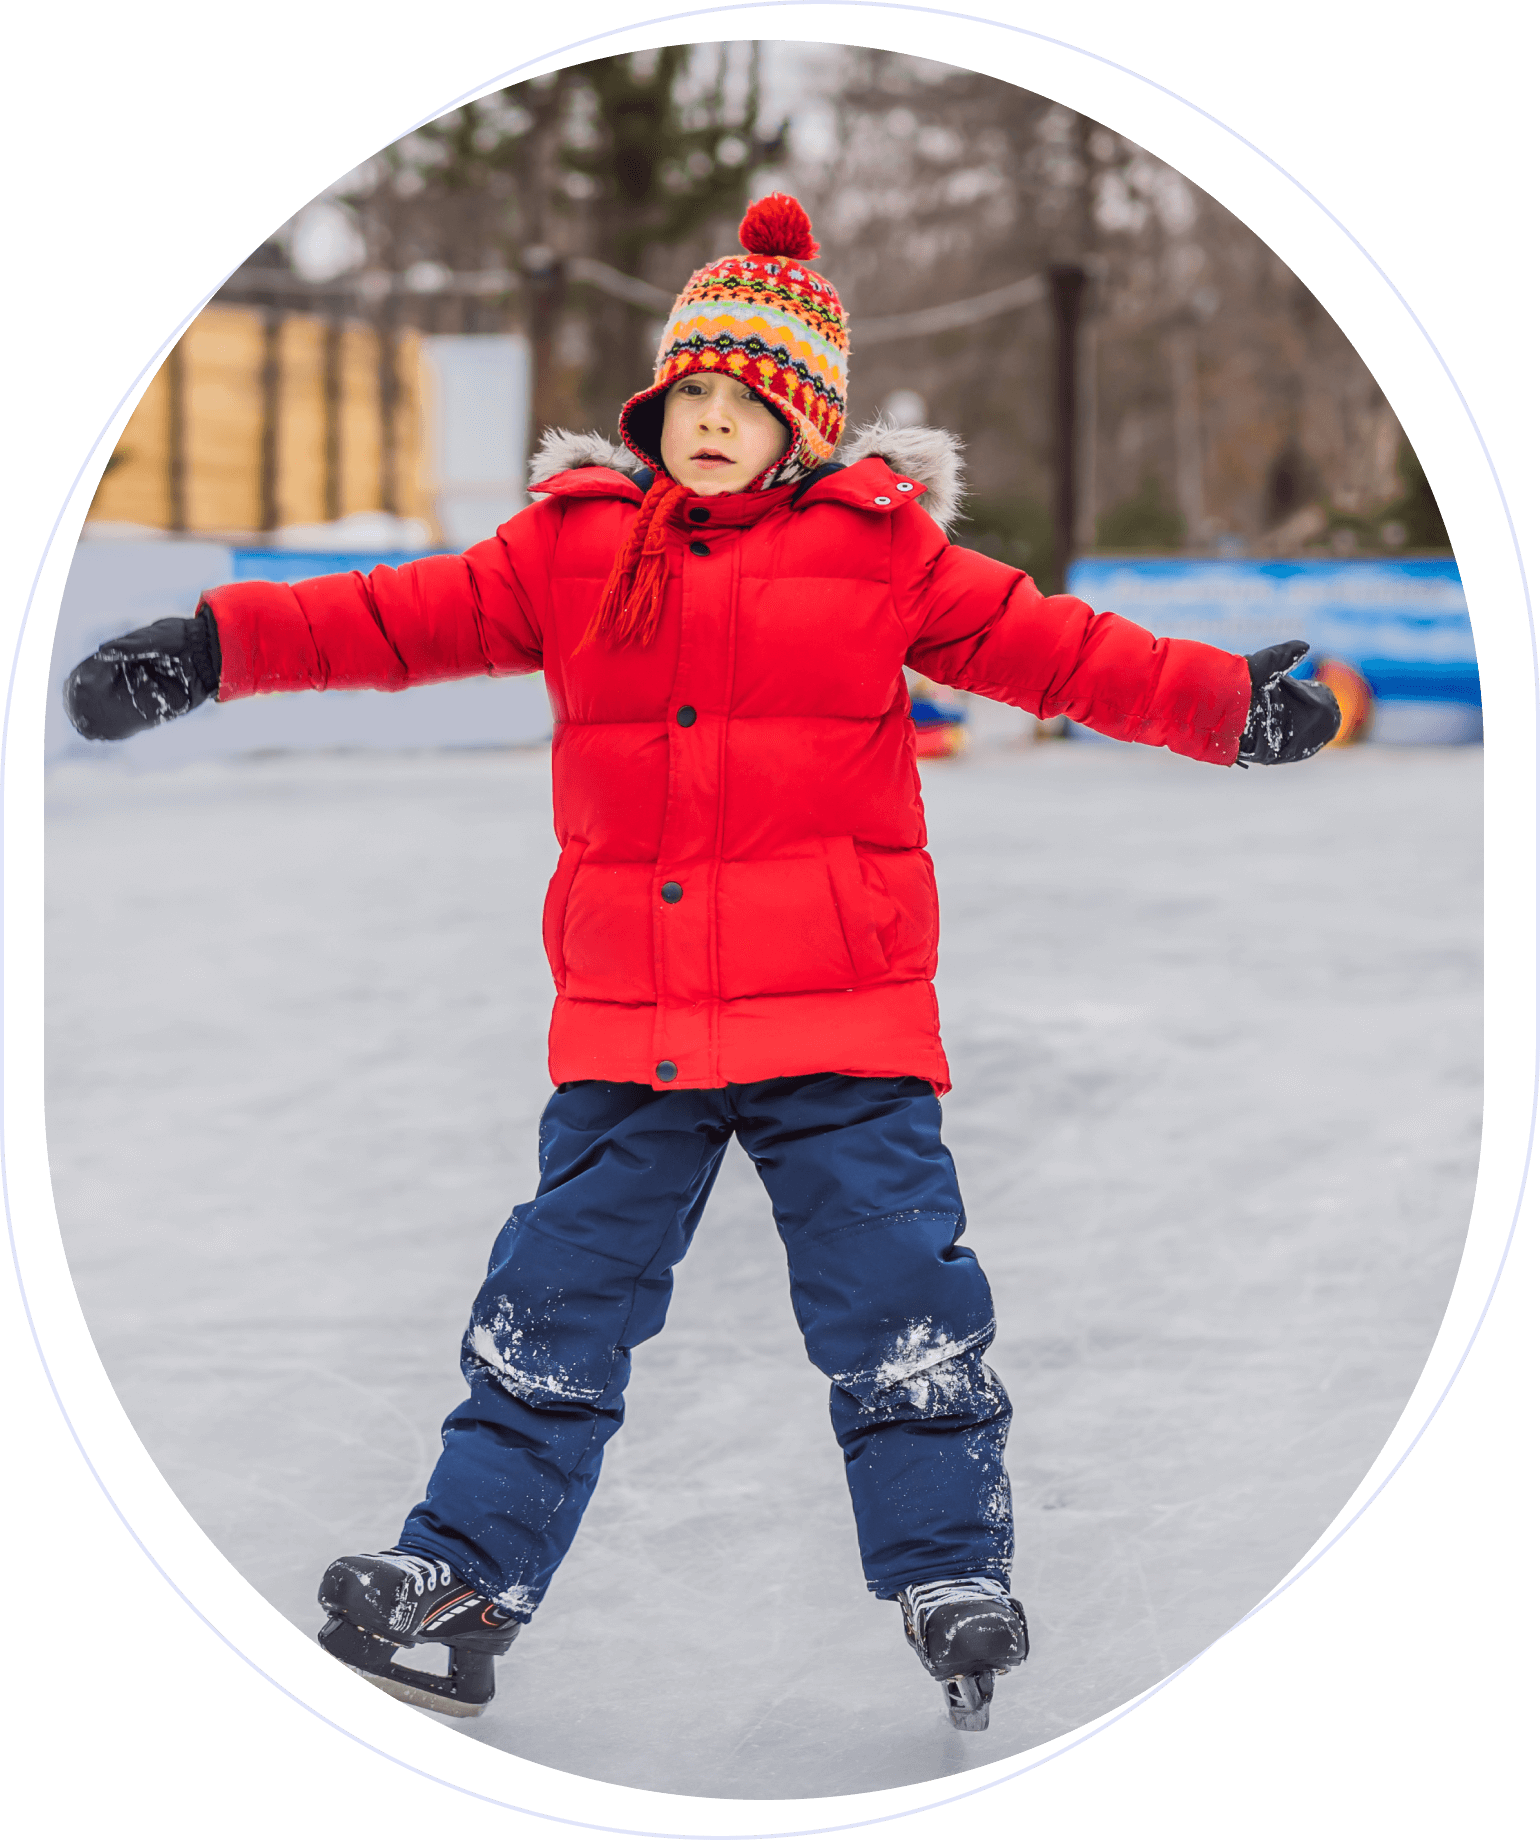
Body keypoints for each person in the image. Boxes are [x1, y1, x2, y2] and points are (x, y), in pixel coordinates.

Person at [62, 194, 1340, 1732]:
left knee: (900, 1308)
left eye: (745, 402)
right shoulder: (575, 550)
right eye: (690, 399)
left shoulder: (883, 553)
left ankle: (948, 1573)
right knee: (549, 1312)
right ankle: (461, 1576)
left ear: (802, 420)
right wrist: (210, 646)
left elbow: (1057, 649)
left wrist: (1219, 705)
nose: (711, 424)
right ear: (654, 408)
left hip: (842, 1025)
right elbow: (388, 618)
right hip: (634, 1029)